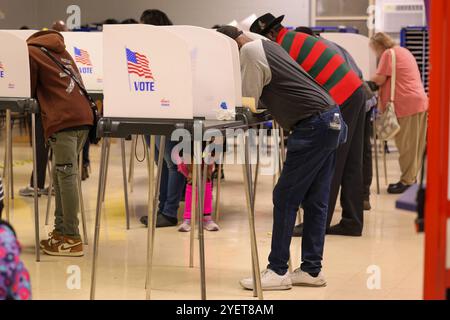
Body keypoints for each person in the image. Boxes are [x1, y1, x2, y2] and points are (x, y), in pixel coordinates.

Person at [217, 26, 346, 290]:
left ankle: (277, 270)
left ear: (230, 47)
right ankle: (311, 269)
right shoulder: (268, 46)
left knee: (284, 196)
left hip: (313, 125)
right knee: (315, 200)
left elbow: (248, 100)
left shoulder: (250, 53)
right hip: (331, 118)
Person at [251, 14, 366, 237]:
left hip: (342, 96)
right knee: (351, 160)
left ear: (272, 33)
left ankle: (317, 225)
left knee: (329, 161)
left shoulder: (285, 47)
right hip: (355, 91)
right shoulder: (294, 39)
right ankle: (352, 221)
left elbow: (292, 86)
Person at [27, 30, 94, 257]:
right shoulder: (61, 50)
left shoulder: (32, 52)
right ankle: (60, 232)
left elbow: (28, 89)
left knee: (66, 177)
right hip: (83, 118)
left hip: (63, 119)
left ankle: (72, 238)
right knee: (61, 176)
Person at [139, 9, 186, 228]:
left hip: (167, 112)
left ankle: (168, 211)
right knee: (164, 163)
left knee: (172, 163)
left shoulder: (166, 50)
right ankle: (162, 209)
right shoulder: (166, 47)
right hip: (154, 112)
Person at [370, 32, 428, 194]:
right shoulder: (404, 51)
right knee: (415, 145)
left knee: (406, 145)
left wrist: (363, 81)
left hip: (406, 105)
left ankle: (407, 181)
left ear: (379, 46)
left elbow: (379, 79)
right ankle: (411, 178)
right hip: (419, 102)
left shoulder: (388, 54)